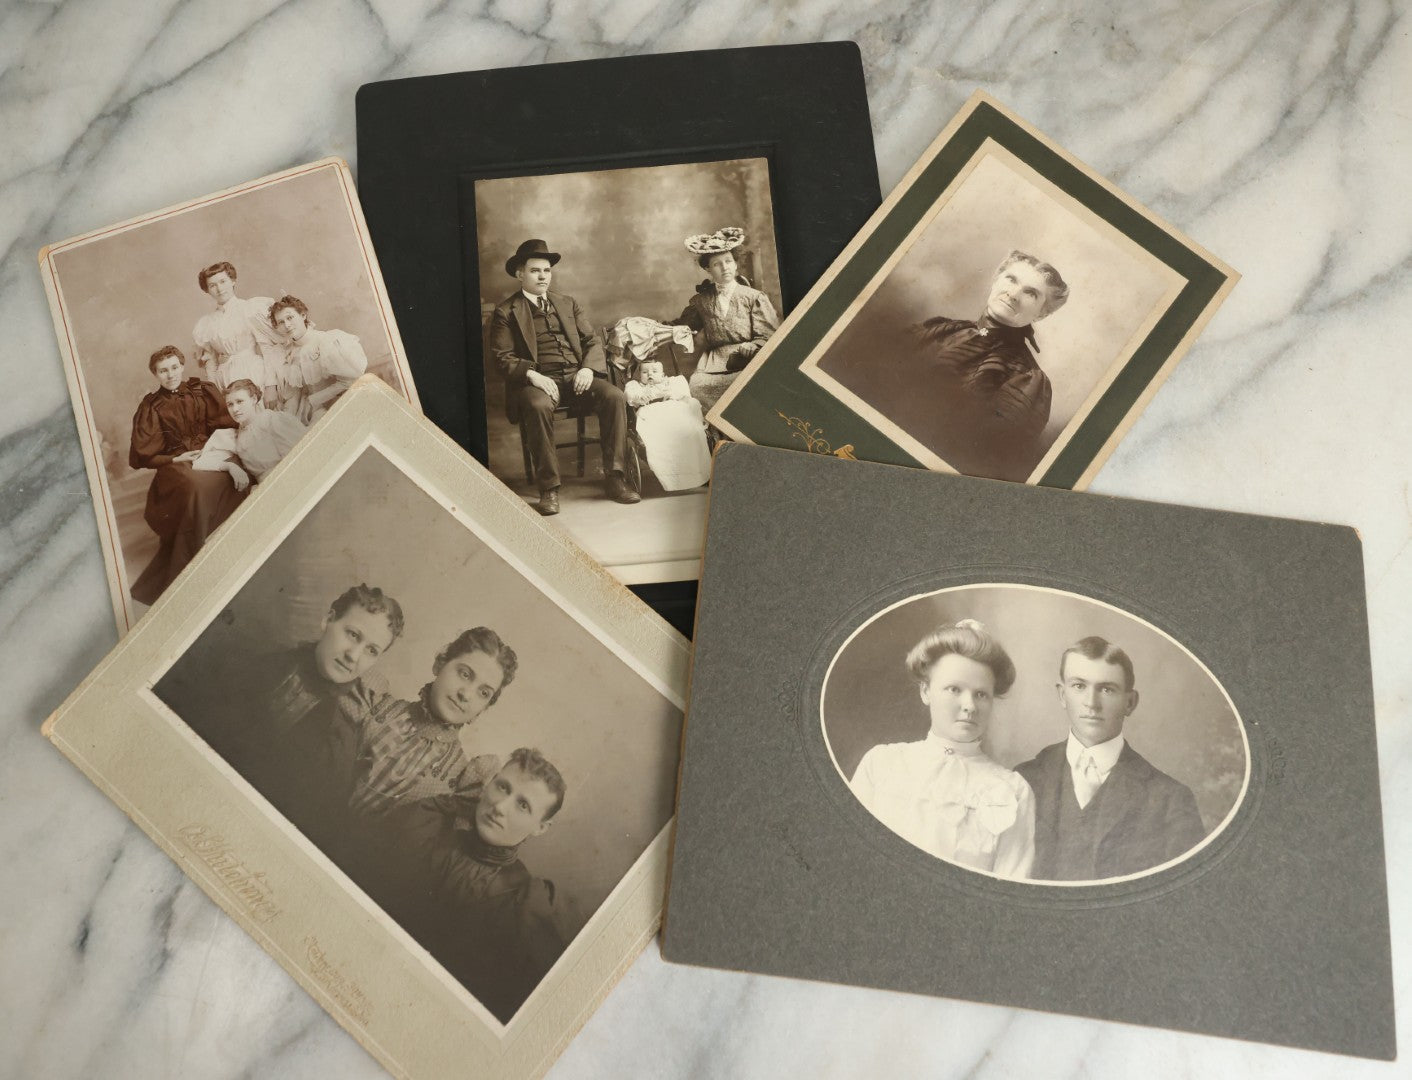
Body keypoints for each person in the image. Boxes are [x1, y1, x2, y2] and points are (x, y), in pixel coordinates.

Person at [153, 583, 404, 839]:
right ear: (328, 620)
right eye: (352, 635)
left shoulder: (338, 744)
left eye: (371, 650)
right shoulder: (247, 659)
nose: (354, 655)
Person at [394, 748, 577, 1024]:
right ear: (488, 783)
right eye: (502, 787)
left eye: (523, 805)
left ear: (540, 828)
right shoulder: (429, 827)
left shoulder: (523, 901)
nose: (500, 807)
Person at [849, 620, 1035, 877]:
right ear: (926, 691)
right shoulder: (881, 765)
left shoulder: (1012, 790)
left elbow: (1011, 885)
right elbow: (847, 860)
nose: (970, 705)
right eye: (954, 689)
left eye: (981, 694)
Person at [1015, 636, 1206, 881]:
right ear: (1062, 695)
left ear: (1130, 702)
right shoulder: (1024, 780)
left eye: (1107, 690)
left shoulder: (1170, 800)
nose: (1091, 703)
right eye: (1079, 686)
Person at [488, 239, 637, 517]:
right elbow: (501, 357)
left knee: (615, 397)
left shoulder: (567, 303)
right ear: (520, 274)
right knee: (537, 405)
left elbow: (592, 341)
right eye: (535, 271)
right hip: (538, 382)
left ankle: (615, 478)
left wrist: (587, 369)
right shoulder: (506, 311)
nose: (542, 276)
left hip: (576, 377)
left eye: (546, 270)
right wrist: (533, 375)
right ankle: (549, 488)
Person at [903, 250, 1067, 482]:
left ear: (1042, 313)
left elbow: (982, 457)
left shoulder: (1027, 378)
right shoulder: (938, 328)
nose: (1013, 294)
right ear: (995, 281)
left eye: (1030, 293)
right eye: (1011, 279)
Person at [340, 627, 518, 820]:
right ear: (440, 664)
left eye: (483, 693)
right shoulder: (372, 705)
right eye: (465, 674)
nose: (466, 695)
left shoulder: (459, 778)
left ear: (484, 708)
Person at [126, 345, 245, 606]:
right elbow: (142, 456)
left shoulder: (201, 390)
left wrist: (216, 452)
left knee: (238, 474)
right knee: (197, 488)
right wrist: (175, 458)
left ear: (181, 366)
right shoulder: (152, 406)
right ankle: (193, 568)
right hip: (176, 464)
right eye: (163, 371)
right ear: (155, 374)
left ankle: (230, 552)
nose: (170, 374)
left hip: (211, 451)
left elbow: (225, 426)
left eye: (173, 367)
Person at [671, 227, 779, 413]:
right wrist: (657, 330)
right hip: (713, 362)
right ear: (707, 269)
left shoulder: (754, 297)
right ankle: (715, 429)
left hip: (747, 358)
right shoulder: (701, 301)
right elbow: (684, 327)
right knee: (698, 385)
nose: (724, 267)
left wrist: (754, 345)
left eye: (728, 261)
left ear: (735, 264)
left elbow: (770, 335)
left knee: (751, 385)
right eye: (717, 264)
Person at [191, 260, 285, 401]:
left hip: (252, 372)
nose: (219, 289)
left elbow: (267, 348)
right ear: (207, 290)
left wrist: (271, 386)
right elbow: (211, 361)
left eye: (223, 281)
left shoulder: (249, 309)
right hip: (224, 379)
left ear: (233, 281)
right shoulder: (206, 323)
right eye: (212, 285)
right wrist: (213, 391)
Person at [269, 295, 368, 421]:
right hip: (311, 410)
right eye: (281, 322)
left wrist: (314, 400)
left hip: (341, 403)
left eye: (290, 318)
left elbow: (349, 382)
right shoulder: (289, 353)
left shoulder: (327, 341)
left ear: (303, 315)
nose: (287, 325)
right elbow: (296, 391)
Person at [193, 379, 307, 488]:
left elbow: (302, 458)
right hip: (265, 488)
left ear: (253, 399)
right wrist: (229, 466)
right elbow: (199, 463)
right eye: (230, 404)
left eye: (240, 401)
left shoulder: (274, 421)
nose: (235, 409)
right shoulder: (234, 436)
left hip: (293, 481)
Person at [623, 357, 711, 490]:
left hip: (672, 412)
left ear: (663, 374)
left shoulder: (670, 383)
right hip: (651, 413)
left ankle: (696, 471)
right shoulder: (636, 386)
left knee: (687, 424)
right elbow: (630, 396)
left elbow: (682, 395)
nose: (650, 374)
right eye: (645, 372)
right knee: (657, 429)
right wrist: (640, 398)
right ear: (639, 375)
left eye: (654, 371)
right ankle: (670, 474)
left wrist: (670, 394)